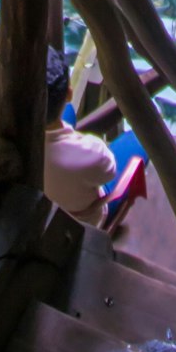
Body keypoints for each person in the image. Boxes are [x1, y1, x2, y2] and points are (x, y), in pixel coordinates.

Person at [41, 48, 116, 222]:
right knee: (135, 140)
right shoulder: (93, 151)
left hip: (36, 208)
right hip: (80, 221)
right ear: (69, 93)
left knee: (69, 113)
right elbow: (109, 173)